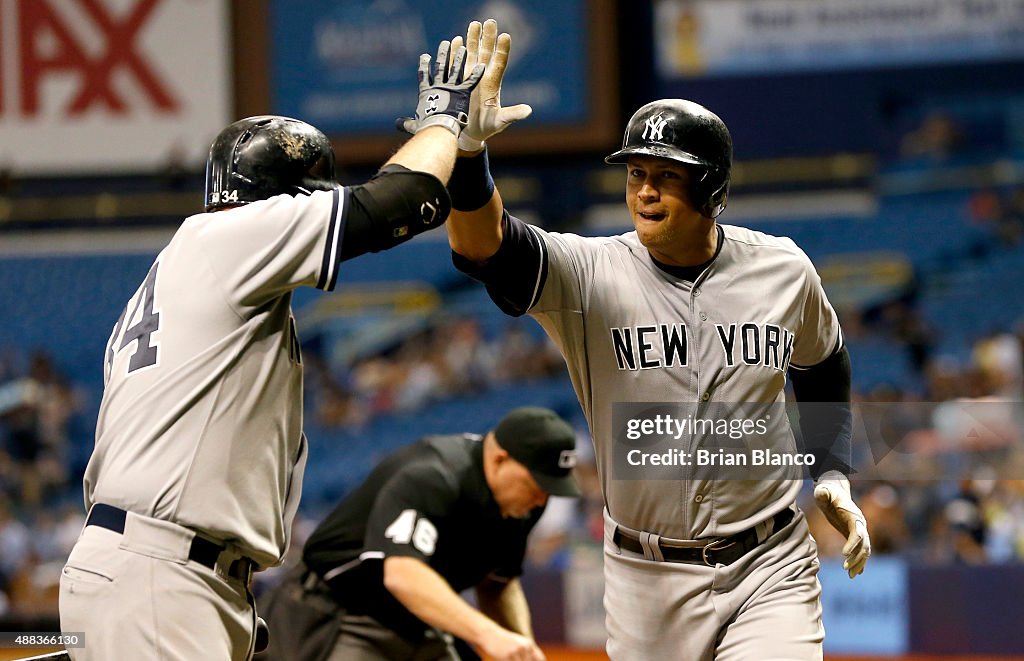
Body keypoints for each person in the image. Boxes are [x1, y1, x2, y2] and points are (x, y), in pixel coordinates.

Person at [443, 19, 872, 660]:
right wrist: (469, 157)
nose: (644, 189)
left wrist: (831, 469)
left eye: (666, 175)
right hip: (646, 578)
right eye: (636, 172)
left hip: (769, 563)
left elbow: (823, 361)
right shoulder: (588, 273)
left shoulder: (783, 268)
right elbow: (484, 247)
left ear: (712, 189)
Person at [58, 40, 487, 661]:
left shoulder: (192, 278)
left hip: (164, 570)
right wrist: (445, 121)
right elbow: (400, 203)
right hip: (161, 572)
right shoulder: (231, 236)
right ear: (289, 197)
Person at [255, 406, 579, 661]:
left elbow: (497, 583)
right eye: (536, 484)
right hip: (339, 614)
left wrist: (521, 646)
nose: (542, 498)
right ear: (500, 459)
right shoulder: (433, 475)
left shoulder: (523, 505)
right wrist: (488, 634)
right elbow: (403, 575)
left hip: (420, 624)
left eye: (551, 488)